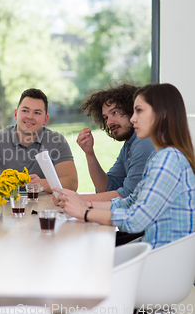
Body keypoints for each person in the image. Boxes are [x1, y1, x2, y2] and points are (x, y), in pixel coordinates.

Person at [55, 83, 195, 249]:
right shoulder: (157, 156)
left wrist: (85, 213)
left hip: (161, 260)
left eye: (139, 111)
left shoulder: (168, 160)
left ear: (162, 114)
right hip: (153, 252)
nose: (133, 118)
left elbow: (136, 220)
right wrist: (85, 203)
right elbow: (130, 202)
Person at [0, 88, 78, 193]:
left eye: (37, 113)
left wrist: (43, 184)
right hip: (6, 206)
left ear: (45, 119)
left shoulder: (56, 141)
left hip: (46, 207)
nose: (30, 117)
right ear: (15, 114)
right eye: (25, 111)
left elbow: (72, 183)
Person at [69, 84, 155, 202]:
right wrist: (89, 153)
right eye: (105, 117)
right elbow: (106, 189)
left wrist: (76, 199)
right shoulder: (129, 146)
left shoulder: (144, 141)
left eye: (114, 113)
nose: (109, 122)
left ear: (132, 110)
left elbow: (129, 196)